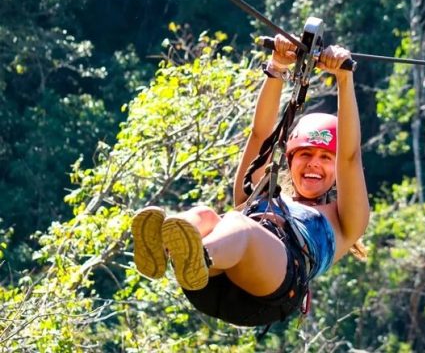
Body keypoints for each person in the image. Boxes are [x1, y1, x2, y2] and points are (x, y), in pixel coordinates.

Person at [130, 34, 370, 326]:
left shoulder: (346, 223)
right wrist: (276, 67)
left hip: (271, 292)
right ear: (290, 160)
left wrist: (344, 80)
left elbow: (350, 156)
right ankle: (164, 250)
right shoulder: (261, 194)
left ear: (335, 171)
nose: (313, 165)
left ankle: (197, 257)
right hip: (214, 282)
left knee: (237, 223)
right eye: (305, 154)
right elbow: (260, 135)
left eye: (324, 158)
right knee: (204, 215)